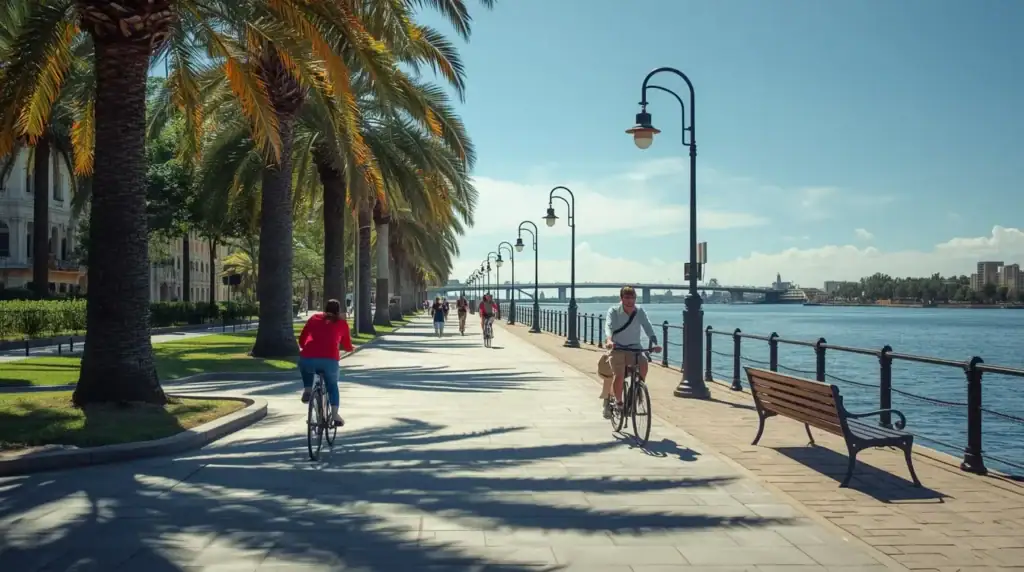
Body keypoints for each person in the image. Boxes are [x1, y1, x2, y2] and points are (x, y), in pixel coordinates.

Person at [598, 286, 662, 419]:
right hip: (617, 348)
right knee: (619, 375)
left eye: (632, 297)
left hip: (634, 348)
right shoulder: (614, 311)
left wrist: (655, 343)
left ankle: (637, 390)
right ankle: (618, 402)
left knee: (644, 363)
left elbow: (647, 326)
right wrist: (609, 340)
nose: (629, 301)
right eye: (626, 298)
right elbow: (608, 326)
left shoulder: (639, 311)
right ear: (621, 299)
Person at [298, 299, 355, 425]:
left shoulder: (314, 318)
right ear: (338, 310)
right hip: (329, 360)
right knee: (332, 386)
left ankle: (308, 390)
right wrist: (351, 348)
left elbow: (302, 339)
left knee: (305, 367)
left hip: (308, 357)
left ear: (325, 308)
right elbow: (347, 345)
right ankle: (335, 415)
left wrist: (304, 346)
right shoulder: (341, 324)